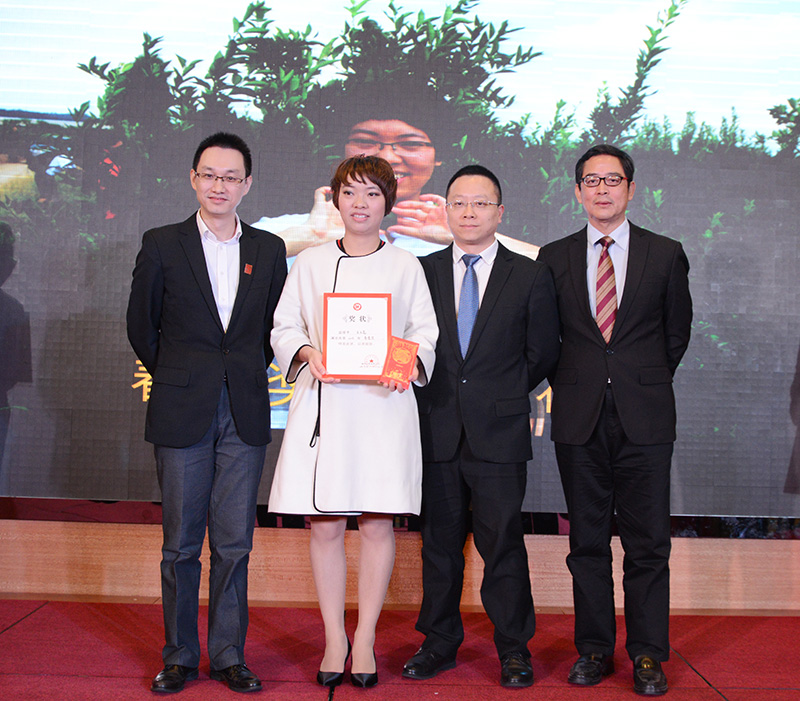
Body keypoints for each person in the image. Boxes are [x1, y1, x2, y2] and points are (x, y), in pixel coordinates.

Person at [267, 155, 438, 688]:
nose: (360, 203)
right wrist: (307, 353)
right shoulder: (310, 262)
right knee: (325, 525)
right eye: (350, 192)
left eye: (371, 194)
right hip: (325, 407)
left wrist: (400, 364)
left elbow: (424, 332)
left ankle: (364, 638)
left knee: (378, 524)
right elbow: (284, 326)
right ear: (336, 199)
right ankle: (333, 638)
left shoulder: (406, 265)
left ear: (388, 203)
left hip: (383, 408)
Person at [126, 132, 287, 694]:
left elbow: (275, 328)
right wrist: (180, 375)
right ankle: (178, 656)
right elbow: (141, 325)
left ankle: (227, 656)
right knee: (181, 544)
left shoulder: (269, 249)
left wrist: (236, 371)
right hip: (181, 408)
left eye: (230, 177)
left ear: (247, 184)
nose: (219, 186)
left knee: (235, 543)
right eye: (210, 175)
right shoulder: (162, 243)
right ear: (194, 179)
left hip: (244, 409)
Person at [537, 144, 692, 697]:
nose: (602, 189)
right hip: (578, 418)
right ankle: (594, 649)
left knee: (648, 544)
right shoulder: (553, 257)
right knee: (587, 543)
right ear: (578, 191)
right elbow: (545, 339)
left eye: (612, 180)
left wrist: (635, 381)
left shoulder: (665, 253)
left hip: (644, 418)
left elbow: (675, 335)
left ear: (630, 188)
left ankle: (648, 653)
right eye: (591, 180)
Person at [402, 165, 560, 688]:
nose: (469, 212)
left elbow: (542, 352)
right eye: (459, 203)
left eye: (481, 203)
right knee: (438, 545)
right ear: (446, 210)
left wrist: (499, 393)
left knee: (503, 544)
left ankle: (514, 648)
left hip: (500, 431)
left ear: (500, 212)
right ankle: (438, 642)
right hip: (436, 428)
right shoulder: (420, 271)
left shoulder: (530, 274)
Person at [255, 89, 539, 259]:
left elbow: (551, 269)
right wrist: (309, 235)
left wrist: (468, 238)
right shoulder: (288, 229)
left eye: (410, 144)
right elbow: (233, 266)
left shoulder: (450, 237)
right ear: (343, 150)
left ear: (437, 156)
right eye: (366, 141)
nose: (387, 158)